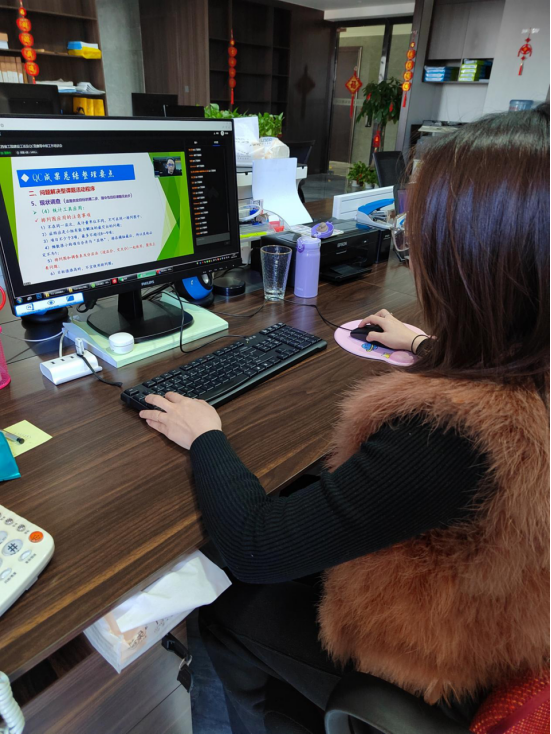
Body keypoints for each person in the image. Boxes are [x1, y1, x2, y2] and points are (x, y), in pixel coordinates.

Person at [139, 106, 550, 734]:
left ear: (476, 263)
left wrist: (206, 436)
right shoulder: (531, 369)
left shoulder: (452, 436)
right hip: (509, 612)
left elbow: (255, 547)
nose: (413, 252)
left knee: (225, 607)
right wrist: (424, 344)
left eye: (418, 237)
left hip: (435, 660)